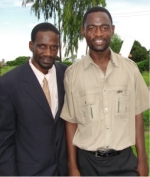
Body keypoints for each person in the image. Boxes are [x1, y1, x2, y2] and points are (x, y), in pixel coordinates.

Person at [60, 6, 149, 176]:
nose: (98, 34)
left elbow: (137, 116)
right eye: (92, 28)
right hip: (87, 164)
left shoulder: (130, 69)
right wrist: (73, 167)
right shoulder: (72, 74)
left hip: (124, 162)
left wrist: (142, 161)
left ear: (112, 30)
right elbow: (71, 122)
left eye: (104, 28)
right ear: (83, 31)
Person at [0, 22, 68, 176]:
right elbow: (4, 139)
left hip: (64, 171)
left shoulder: (67, 75)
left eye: (54, 47)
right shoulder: (9, 84)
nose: (49, 53)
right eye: (42, 46)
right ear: (31, 46)